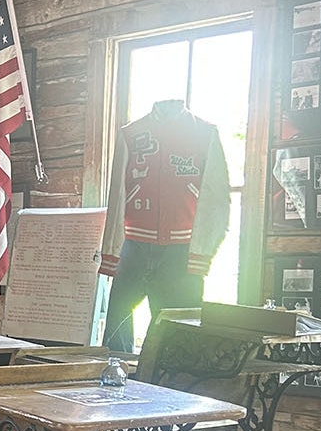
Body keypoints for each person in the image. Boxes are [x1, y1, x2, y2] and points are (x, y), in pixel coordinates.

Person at [98, 99, 231, 352]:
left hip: (181, 250)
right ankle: (116, 379)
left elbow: (216, 198)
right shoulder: (131, 133)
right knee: (116, 329)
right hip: (133, 244)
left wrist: (202, 253)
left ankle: (171, 386)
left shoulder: (204, 133)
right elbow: (117, 194)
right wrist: (111, 252)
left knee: (179, 338)